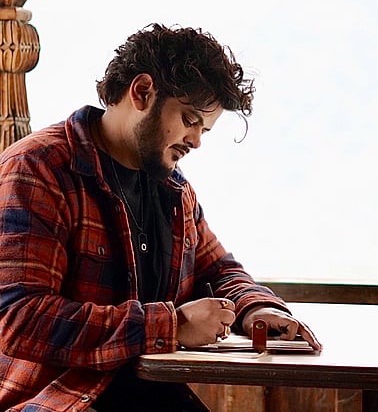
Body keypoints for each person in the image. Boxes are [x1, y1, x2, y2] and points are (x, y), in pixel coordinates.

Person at [0, 23, 322, 412]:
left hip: (148, 395)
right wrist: (170, 325)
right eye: (190, 119)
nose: (197, 141)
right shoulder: (37, 168)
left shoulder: (174, 189)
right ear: (142, 92)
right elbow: (18, 319)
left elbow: (218, 270)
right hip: (56, 400)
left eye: (205, 130)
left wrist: (256, 309)